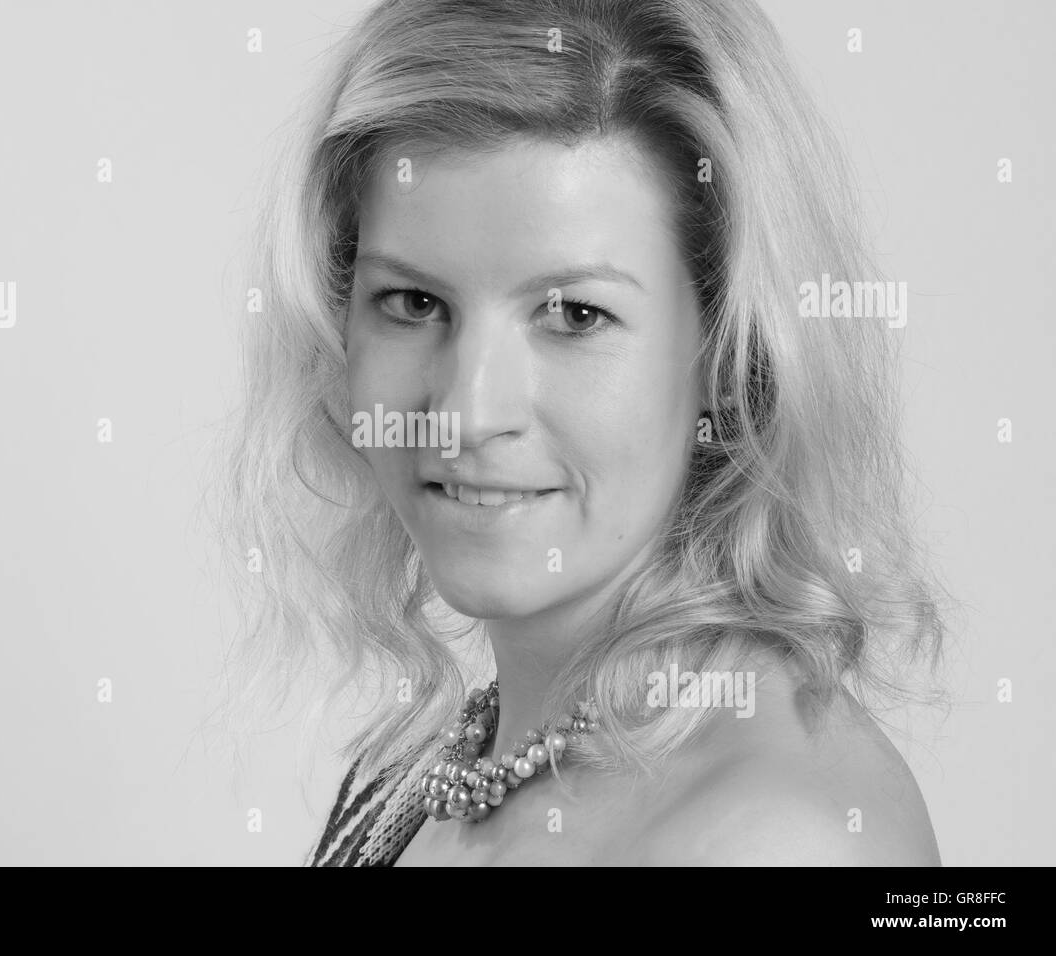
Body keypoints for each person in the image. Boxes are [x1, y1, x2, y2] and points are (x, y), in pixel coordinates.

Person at [220, 0, 952, 866]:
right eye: (414, 303)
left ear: (730, 354)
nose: (466, 412)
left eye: (573, 313)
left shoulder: (780, 839)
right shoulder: (419, 775)